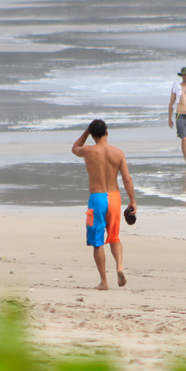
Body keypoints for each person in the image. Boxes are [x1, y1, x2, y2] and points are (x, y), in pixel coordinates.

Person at [72, 119, 137, 290]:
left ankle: (104, 282)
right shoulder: (118, 153)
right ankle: (120, 267)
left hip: (97, 199)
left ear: (92, 135)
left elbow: (74, 148)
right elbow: (127, 179)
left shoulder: (87, 151)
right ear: (107, 133)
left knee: (97, 242)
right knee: (114, 237)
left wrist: (86, 132)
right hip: (114, 197)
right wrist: (132, 201)